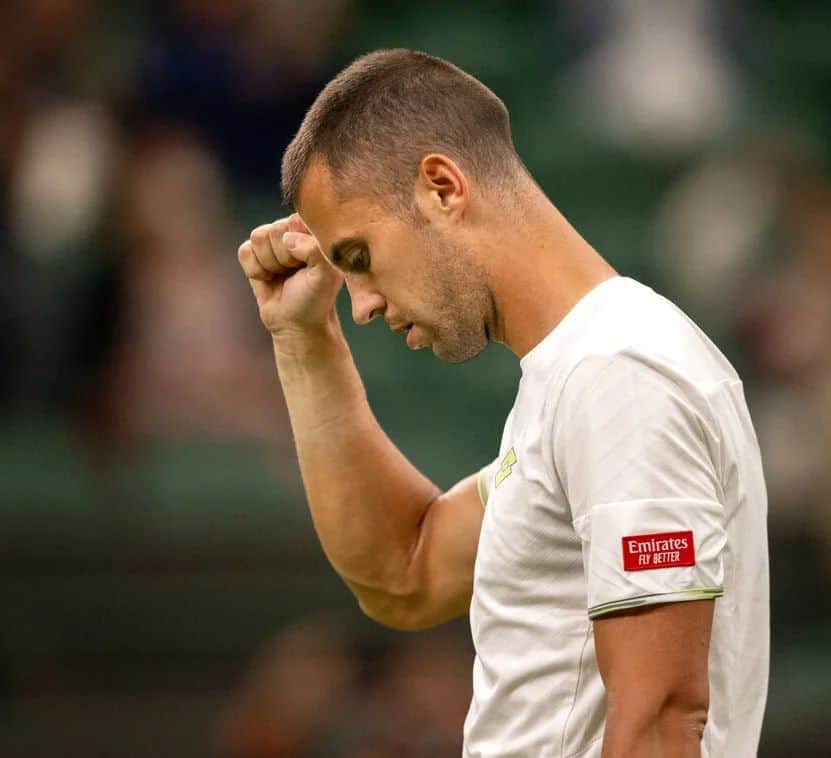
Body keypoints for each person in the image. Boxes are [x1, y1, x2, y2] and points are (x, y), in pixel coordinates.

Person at [237, 49, 769, 757]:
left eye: (359, 257)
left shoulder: (617, 373)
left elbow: (661, 719)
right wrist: (305, 339)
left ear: (441, 187)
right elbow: (407, 572)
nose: (360, 303)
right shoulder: (578, 374)